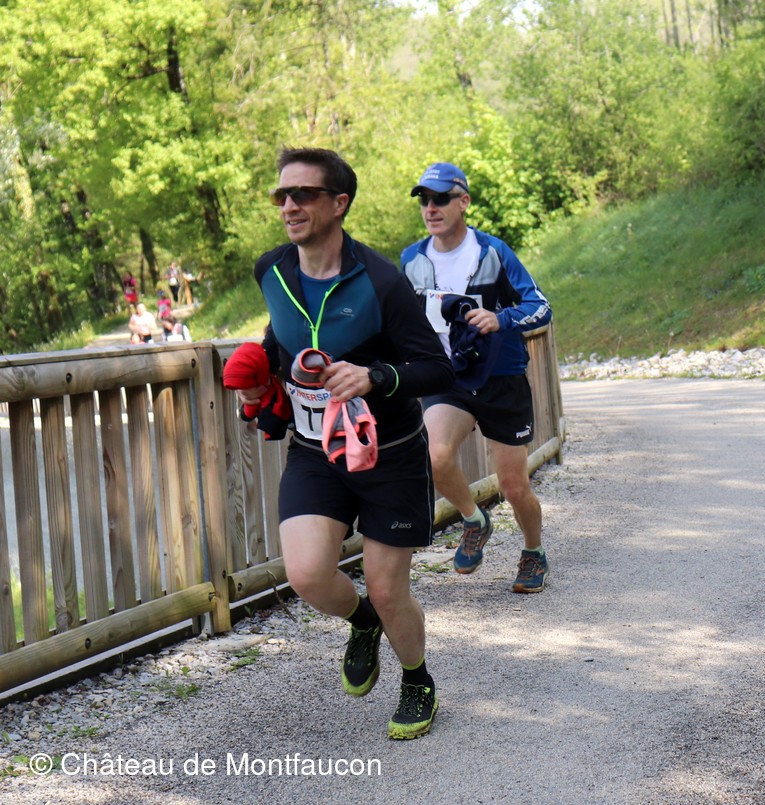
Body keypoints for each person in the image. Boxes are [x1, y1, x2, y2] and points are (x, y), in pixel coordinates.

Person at [235, 147, 454, 740]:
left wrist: (375, 376)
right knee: (307, 574)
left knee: (386, 585)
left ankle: (417, 679)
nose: (288, 205)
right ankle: (363, 622)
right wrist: (261, 375)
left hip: (390, 453)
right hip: (315, 450)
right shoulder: (271, 270)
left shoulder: (381, 281)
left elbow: (437, 367)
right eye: (281, 195)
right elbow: (285, 334)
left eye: (303, 194)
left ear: (339, 203)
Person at [400, 162, 553, 594]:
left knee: (513, 485)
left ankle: (533, 552)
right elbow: (399, 320)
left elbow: (541, 306)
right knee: (435, 455)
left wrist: (500, 319)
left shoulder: (493, 252)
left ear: (463, 201)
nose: (431, 208)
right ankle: (474, 519)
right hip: (447, 377)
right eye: (424, 200)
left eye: (440, 199)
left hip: (501, 377)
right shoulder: (412, 260)